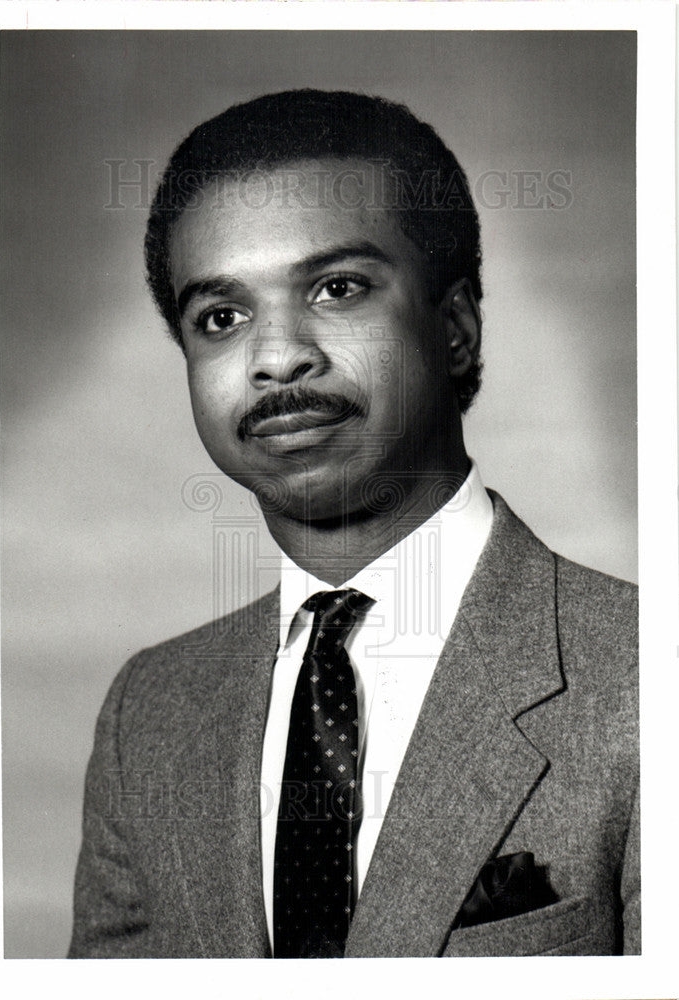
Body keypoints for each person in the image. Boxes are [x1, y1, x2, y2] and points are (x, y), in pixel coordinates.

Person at [68, 90, 639, 958]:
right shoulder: (148, 713)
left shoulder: (645, 676)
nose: (276, 355)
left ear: (453, 330)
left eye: (337, 289)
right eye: (221, 318)